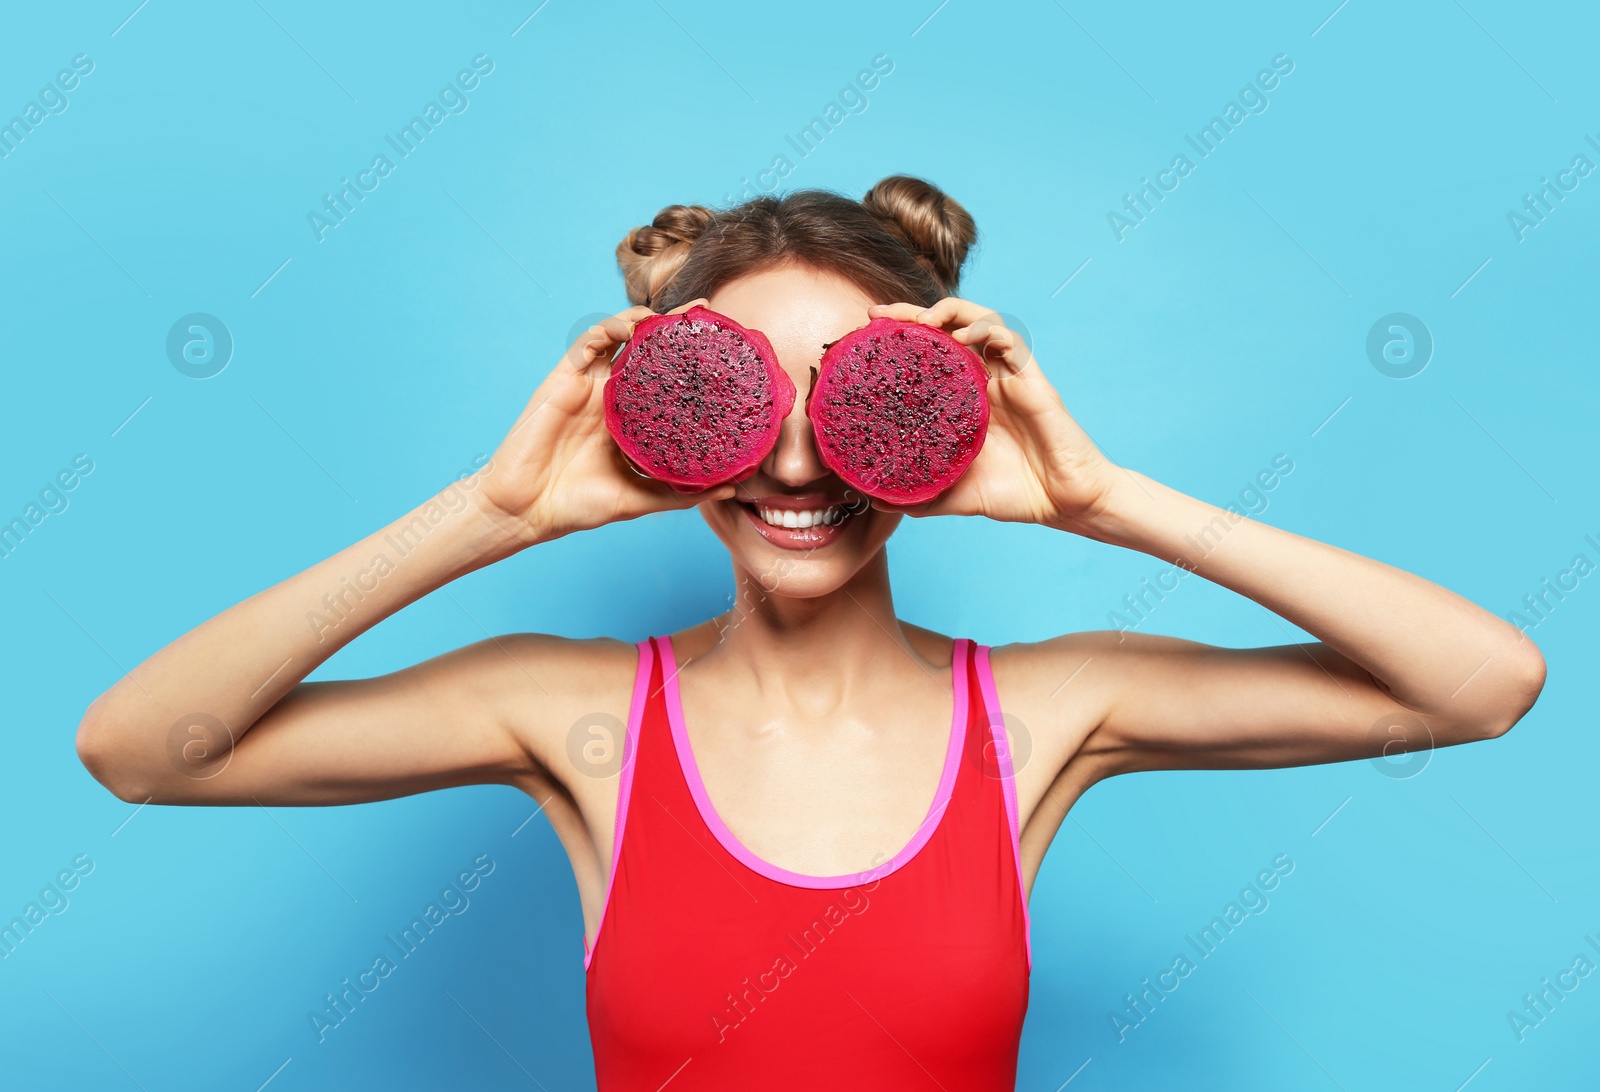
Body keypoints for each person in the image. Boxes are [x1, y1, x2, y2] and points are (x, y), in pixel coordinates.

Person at [75, 176, 1545, 1090]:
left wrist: (1107, 502)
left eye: (854, 401)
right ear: (660, 411)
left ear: (940, 406)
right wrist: (493, 515)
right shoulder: (568, 717)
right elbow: (140, 750)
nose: (792, 465)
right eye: (739, 399)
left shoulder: (1047, 714)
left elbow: (1483, 683)